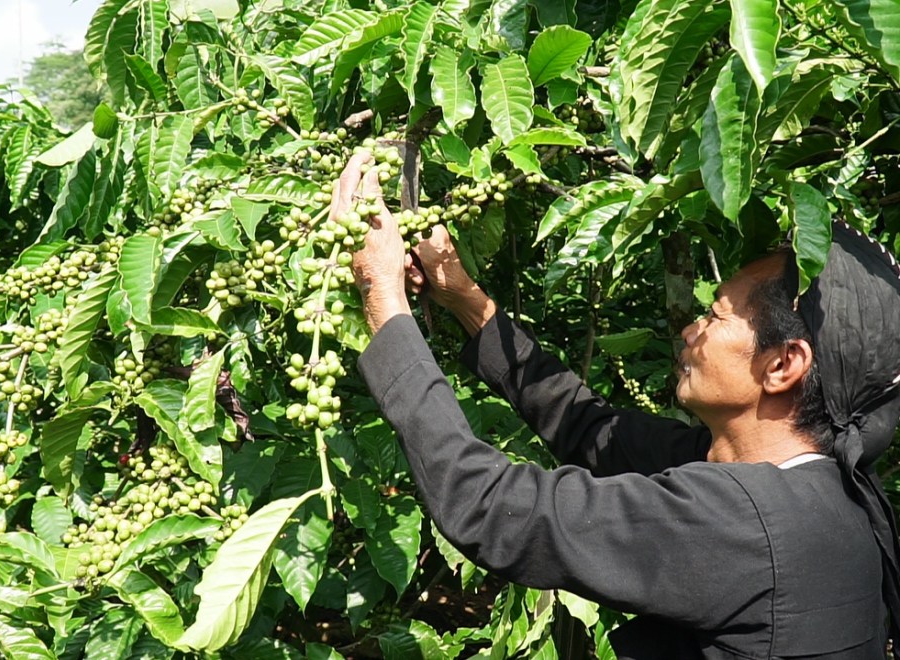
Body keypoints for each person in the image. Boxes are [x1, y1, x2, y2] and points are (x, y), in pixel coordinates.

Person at [332, 152, 900, 658]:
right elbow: (589, 427)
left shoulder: (736, 523)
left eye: (717, 314)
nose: (690, 331)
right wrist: (465, 299)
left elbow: (488, 506)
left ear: (781, 366)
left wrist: (382, 296)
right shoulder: (822, 490)